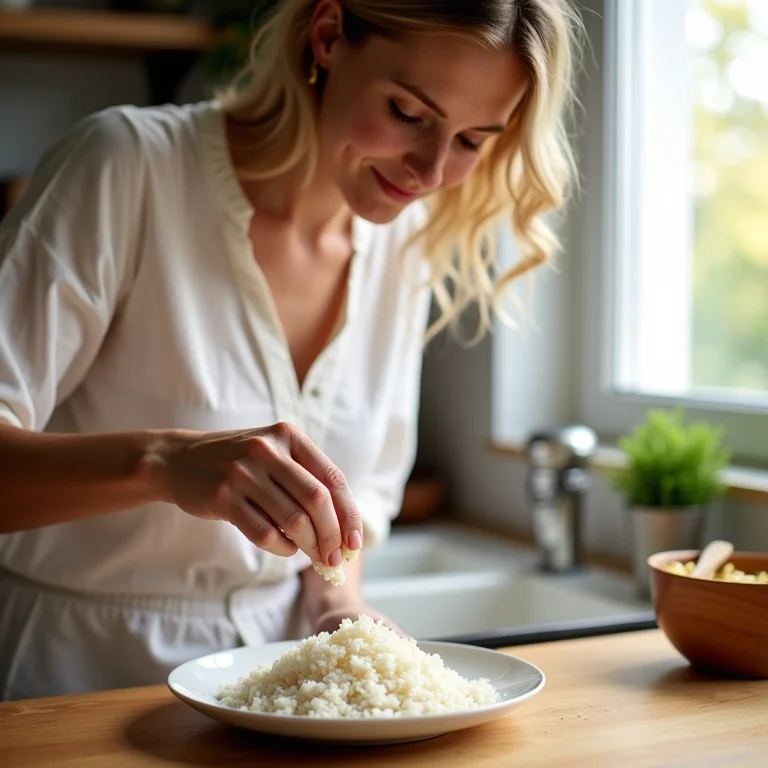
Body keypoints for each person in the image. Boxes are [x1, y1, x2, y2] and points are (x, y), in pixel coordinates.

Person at [0, 0, 583, 701]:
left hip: (274, 701)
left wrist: (334, 604)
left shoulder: (403, 240)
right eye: (408, 113)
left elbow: (354, 498)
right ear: (329, 35)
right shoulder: (128, 167)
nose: (430, 172)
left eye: (472, 141)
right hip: (72, 685)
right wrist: (162, 462)